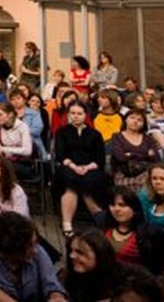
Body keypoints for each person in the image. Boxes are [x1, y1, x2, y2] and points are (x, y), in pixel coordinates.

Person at [0, 211, 68, 302]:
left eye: (35, 243)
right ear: (12, 250)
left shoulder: (38, 251)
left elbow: (50, 282)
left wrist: (56, 296)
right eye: (29, 246)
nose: (35, 250)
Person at [55, 100, 107, 237]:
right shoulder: (61, 132)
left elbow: (100, 158)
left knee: (88, 180)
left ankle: (101, 219)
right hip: (69, 166)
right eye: (72, 113)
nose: (76, 116)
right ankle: (67, 223)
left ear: (85, 115)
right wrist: (74, 167)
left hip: (91, 167)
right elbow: (60, 155)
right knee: (71, 181)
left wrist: (87, 167)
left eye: (79, 113)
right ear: (68, 115)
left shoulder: (95, 134)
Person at [61, 229, 123, 302]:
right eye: (71, 250)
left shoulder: (122, 286)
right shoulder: (65, 278)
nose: (72, 256)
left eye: (80, 252)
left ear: (99, 255)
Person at [110, 109, 162, 189]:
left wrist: (130, 154)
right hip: (124, 173)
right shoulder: (117, 137)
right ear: (125, 120)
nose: (135, 121)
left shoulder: (148, 139)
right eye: (132, 118)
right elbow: (120, 157)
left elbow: (156, 159)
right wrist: (146, 155)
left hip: (145, 172)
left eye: (139, 120)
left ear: (143, 124)